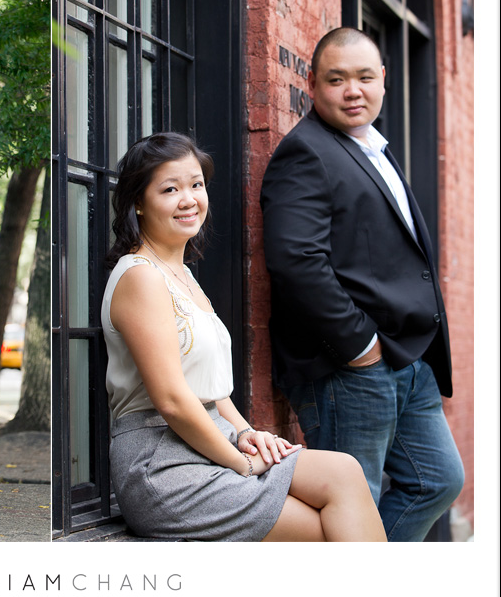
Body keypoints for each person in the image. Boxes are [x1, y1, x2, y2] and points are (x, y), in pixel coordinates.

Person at [104, 132, 385, 541]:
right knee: (327, 531)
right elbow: (172, 400)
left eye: (196, 185)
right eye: (170, 189)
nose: (189, 199)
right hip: (162, 464)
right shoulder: (140, 277)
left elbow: (211, 391)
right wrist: (242, 463)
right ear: (138, 204)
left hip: (211, 438)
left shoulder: (182, 277)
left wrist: (246, 432)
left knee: (344, 471)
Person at [260, 27, 464, 541]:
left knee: (437, 480)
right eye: (337, 79)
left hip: (406, 359)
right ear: (312, 84)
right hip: (350, 367)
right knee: (357, 500)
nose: (353, 90)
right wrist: (360, 346)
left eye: (364, 77)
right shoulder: (305, 152)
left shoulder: (372, 146)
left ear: (383, 81)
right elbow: (296, 261)